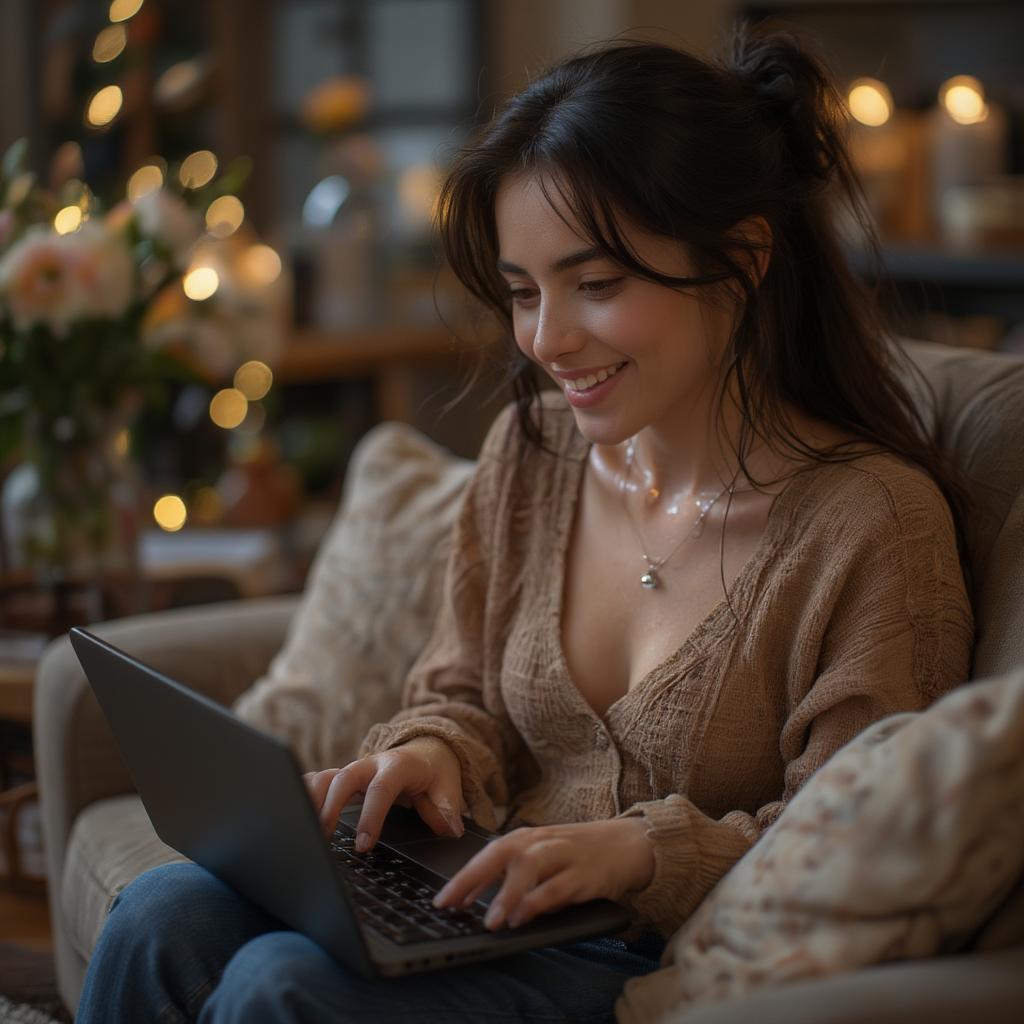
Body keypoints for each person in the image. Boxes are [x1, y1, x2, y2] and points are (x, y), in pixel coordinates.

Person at [76, 18, 975, 1024]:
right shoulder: (534, 454)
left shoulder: (872, 526)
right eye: (521, 292)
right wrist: (429, 754)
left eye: (595, 285)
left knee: (277, 986)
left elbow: (858, 847)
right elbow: (460, 689)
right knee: (163, 910)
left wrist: (643, 851)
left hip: (666, 964)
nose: (548, 339)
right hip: (486, 904)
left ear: (742, 260)